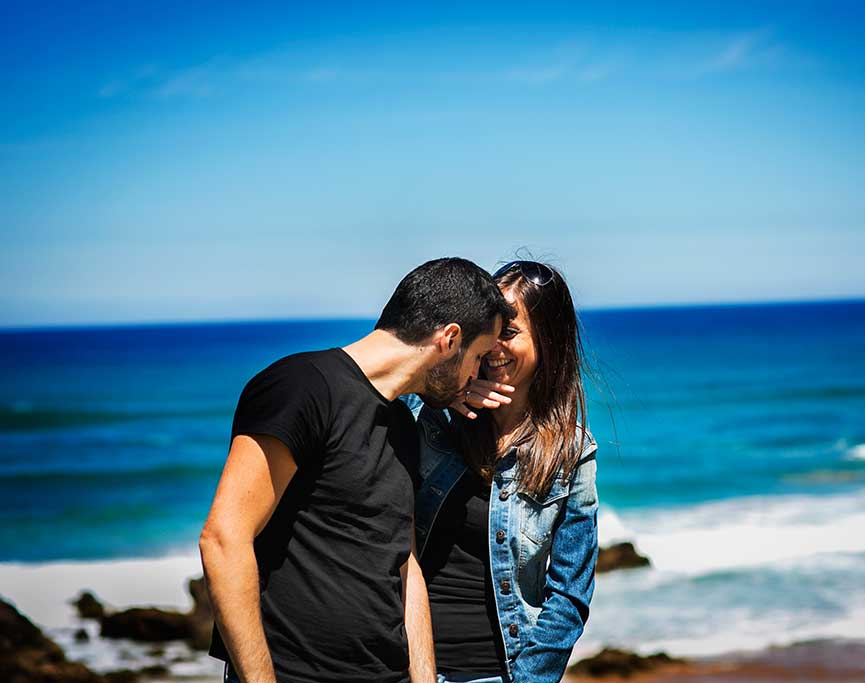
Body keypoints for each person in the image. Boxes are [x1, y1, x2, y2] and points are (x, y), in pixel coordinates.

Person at [199, 257, 515, 683]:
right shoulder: (302, 386)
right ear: (449, 339)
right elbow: (224, 538)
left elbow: (405, 565)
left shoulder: (402, 424)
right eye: (477, 357)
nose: (476, 374)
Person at [404, 260, 599, 683]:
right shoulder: (428, 417)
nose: (493, 348)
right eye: (486, 333)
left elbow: (569, 595)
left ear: (548, 340)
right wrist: (441, 390)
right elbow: (371, 398)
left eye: (507, 333)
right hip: (403, 665)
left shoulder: (571, 451)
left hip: (501, 673)